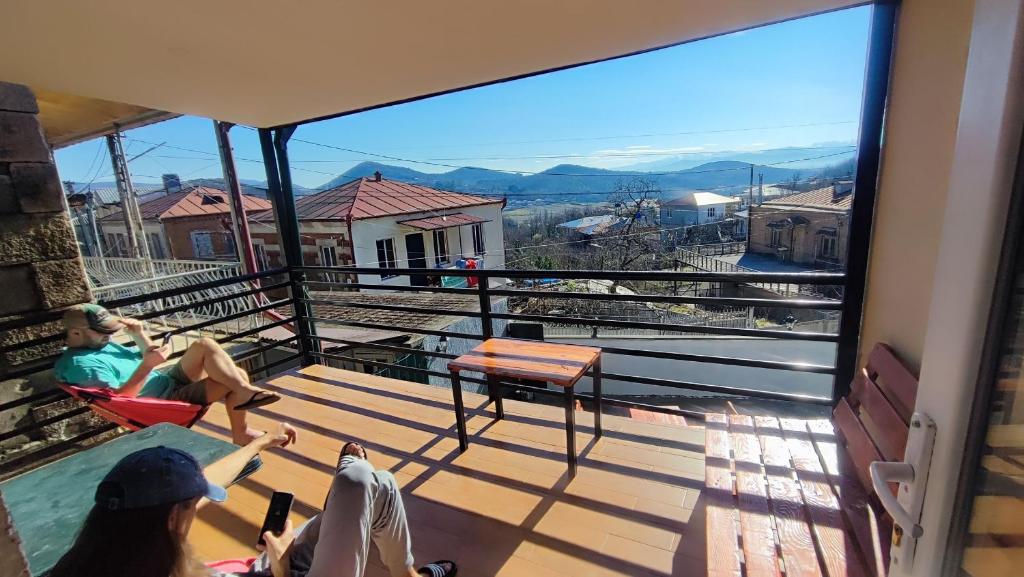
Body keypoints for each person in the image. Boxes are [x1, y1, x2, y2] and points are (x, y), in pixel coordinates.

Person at [49, 424, 458, 577]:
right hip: (280, 569)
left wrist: (261, 442)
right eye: (194, 505)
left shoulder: (109, 545)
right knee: (364, 482)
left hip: (273, 563)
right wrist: (280, 565)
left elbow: (200, 482)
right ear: (174, 516)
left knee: (367, 484)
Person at [54, 303, 280, 444]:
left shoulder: (100, 345)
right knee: (235, 376)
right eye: (103, 332)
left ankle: (244, 393)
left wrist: (140, 336)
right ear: (75, 333)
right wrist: (148, 366)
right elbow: (122, 402)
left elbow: (144, 356)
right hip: (163, 403)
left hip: (166, 382)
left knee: (205, 344)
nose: (109, 335)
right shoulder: (82, 365)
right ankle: (242, 425)